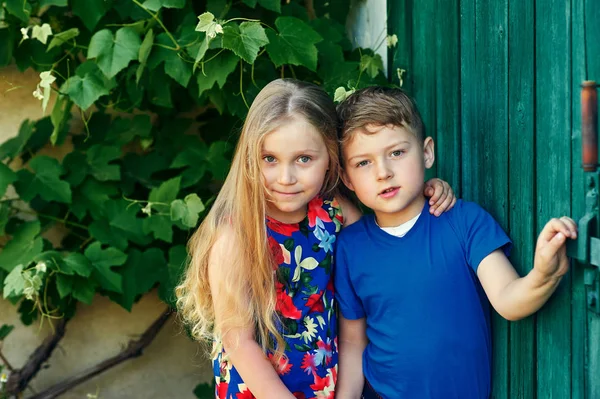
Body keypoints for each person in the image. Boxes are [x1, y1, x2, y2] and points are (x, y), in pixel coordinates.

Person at [175, 79, 455, 399]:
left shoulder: (334, 214)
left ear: (330, 157)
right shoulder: (237, 237)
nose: (286, 178)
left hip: (332, 389)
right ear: (251, 157)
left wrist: (426, 194)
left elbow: (386, 243)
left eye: (304, 159)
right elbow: (239, 343)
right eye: (270, 159)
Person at [333, 86, 578, 399]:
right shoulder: (351, 247)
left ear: (427, 152)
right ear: (347, 178)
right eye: (363, 163)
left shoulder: (464, 222)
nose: (383, 172)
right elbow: (353, 344)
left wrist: (545, 274)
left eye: (397, 152)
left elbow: (507, 299)